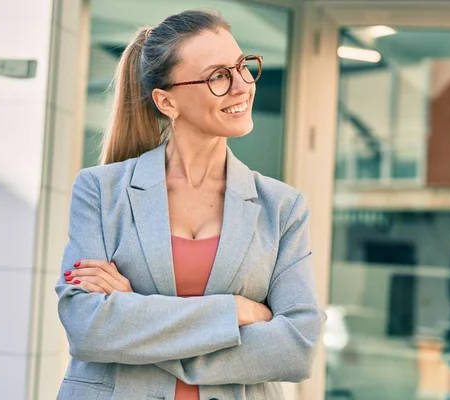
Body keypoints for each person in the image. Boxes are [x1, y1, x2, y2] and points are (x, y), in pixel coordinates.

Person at [55, 9, 326, 400]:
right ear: (167, 101)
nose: (242, 86)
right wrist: (234, 311)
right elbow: (86, 328)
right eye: (218, 75)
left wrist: (133, 314)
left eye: (242, 67)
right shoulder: (100, 191)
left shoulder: (282, 207)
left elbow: (297, 348)